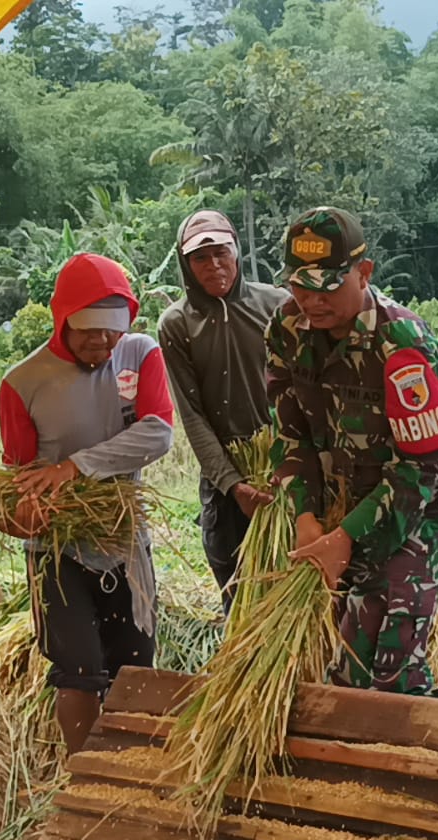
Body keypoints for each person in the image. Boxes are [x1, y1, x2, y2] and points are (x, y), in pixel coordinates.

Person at [267, 207, 438, 695]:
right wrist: (306, 516)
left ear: (364, 272)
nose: (312, 300)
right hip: (340, 507)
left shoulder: (402, 344)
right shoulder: (287, 330)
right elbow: (290, 435)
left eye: (329, 286)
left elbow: (420, 469)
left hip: (414, 513)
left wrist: (346, 537)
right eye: (299, 286)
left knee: (393, 664)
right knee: (348, 662)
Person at [0, 252, 175, 755]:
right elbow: (20, 477)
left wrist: (74, 467)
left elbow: (158, 434)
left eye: (111, 331)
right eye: (89, 331)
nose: (102, 342)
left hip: (123, 538)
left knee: (135, 667)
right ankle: (83, 773)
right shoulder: (23, 382)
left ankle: (131, 768)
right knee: (76, 670)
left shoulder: (140, 354)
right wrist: (20, 514)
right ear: (62, 320)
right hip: (57, 549)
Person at [157, 210, 289, 614]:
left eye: (221, 252)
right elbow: (193, 416)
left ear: (237, 252)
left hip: (286, 473)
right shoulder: (177, 325)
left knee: (292, 593)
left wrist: (291, 464)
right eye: (200, 257)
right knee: (239, 599)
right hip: (225, 486)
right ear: (186, 264)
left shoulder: (279, 306)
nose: (214, 265)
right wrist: (234, 485)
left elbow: (303, 394)